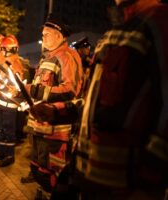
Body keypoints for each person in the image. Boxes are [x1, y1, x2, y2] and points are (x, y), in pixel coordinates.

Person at [49, 0, 168, 199]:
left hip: (125, 186)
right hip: (90, 175)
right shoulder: (117, 31)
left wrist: (148, 181)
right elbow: (101, 105)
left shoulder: (159, 21)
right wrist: (58, 111)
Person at [20, 14, 83, 197]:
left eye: (47, 33)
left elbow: (71, 90)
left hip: (56, 129)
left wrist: (32, 90)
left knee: (54, 171)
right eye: (43, 33)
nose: (43, 37)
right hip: (40, 127)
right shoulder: (47, 58)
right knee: (40, 167)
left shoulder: (67, 56)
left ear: (59, 35)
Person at [0, 35, 26, 167]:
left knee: (8, 130)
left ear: (10, 49)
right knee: (2, 129)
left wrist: (12, 88)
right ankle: (2, 151)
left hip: (9, 104)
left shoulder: (15, 64)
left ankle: (9, 155)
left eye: (3, 49)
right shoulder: (6, 62)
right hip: (1, 102)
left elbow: (18, 85)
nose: (1, 51)